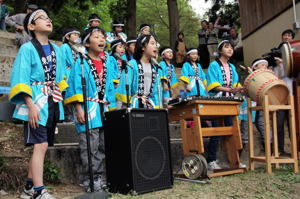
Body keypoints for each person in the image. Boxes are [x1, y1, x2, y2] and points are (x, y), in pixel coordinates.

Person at [9, 9, 68, 199]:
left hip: (52, 101)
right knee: (40, 145)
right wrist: (30, 105)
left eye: (49, 17)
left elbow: (60, 78)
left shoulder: (57, 50)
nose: (48, 20)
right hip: (35, 102)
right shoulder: (27, 48)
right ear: (31, 26)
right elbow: (21, 76)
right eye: (42, 18)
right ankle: (39, 191)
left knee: (42, 145)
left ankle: (28, 186)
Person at [64, 27, 116, 192]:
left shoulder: (107, 61)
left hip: (104, 108)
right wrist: (78, 108)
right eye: (96, 37)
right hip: (88, 109)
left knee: (102, 144)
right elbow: (74, 85)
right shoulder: (80, 61)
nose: (102, 39)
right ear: (86, 42)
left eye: (103, 37)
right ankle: (89, 179)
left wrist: (112, 108)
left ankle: (99, 177)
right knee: (90, 145)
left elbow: (110, 88)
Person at [206, 40, 242, 170]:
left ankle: (234, 160)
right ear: (220, 50)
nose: (230, 49)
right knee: (216, 130)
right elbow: (212, 84)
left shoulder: (232, 67)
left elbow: (235, 83)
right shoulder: (213, 65)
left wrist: (238, 88)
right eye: (227, 47)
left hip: (230, 101)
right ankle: (211, 160)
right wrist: (229, 90)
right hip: (217, 101)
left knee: (232, 131)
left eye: (231, 47)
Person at [116, 34, 162, 108]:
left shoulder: (155, 67)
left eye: (156, 44)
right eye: (152, 43)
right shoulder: (132, 65)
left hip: (150, 105)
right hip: (134, 105)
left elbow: (156, 92)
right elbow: (124, 87)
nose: (155, 46)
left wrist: (157, 106)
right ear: (143, 47)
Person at [273, 29, 295, 156]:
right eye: (285, 35)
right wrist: (280, 63)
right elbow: (276, 76)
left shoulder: (295, 54)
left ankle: (296, 150)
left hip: (293, 94)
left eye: (289, 36)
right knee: (279, 124)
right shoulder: (276, 53)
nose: (287, 37)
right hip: (280, 96)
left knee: (294, 123)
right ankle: (280, 150)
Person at [251, 58, 270, 152]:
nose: (265, 68)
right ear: (255, 67)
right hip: (253, 104)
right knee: (255, 124)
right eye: (262, 65)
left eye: (266, 66)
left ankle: (269, 147)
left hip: (263, 103)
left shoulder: (267, 77)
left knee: (262, 123)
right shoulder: (252, 77)